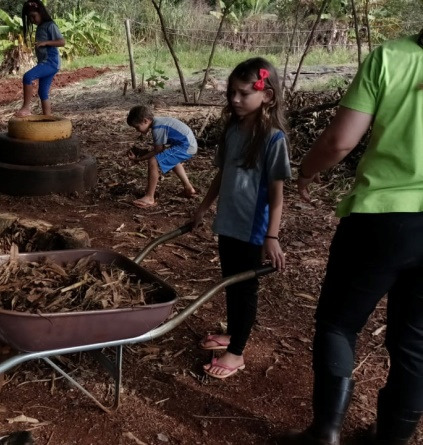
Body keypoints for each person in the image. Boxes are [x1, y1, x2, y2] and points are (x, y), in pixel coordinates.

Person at [280, 30, 423, 445]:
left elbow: (340, 140)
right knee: (415, 339)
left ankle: (325, 432)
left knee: (339, 324)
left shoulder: (392, 57)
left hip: (382, 221)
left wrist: (306, 171)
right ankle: (394, 437)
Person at [190, 57, 289, 379]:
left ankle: (236, 353)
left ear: (267, 96)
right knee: (230, 282)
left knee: (244, 289)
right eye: (231, 92)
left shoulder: (273, 139)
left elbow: (276, 195)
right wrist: (204, 208)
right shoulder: (232, 130)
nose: (234, 99)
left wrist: (271, 238)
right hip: (228, 222)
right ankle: (233, 334)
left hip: (252, 228)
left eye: (244, 93)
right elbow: (223, 175)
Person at [126, 105, 198, 207]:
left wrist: (139, 159)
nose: (137, 130)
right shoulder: (158, 122)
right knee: (171, 159)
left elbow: (158, 151)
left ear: (145, 121)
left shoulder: (157, 127)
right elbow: (161, 150)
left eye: (137, 127)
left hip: (186, 146)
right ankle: (189, 188)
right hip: (187, 145)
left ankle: (149, 197)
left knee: (153, 161)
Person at [14, 0, 65, 117]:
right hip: (46, 62)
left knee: (28, 77)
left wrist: (45, 43)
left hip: (51, 62)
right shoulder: (41, 26)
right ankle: (48, 118)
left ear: (41, 12)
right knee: (42, 92)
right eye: (29, 18)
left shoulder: (50, 25)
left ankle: (26, 108)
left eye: (33, 16)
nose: (32, 20)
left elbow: (62, 42)